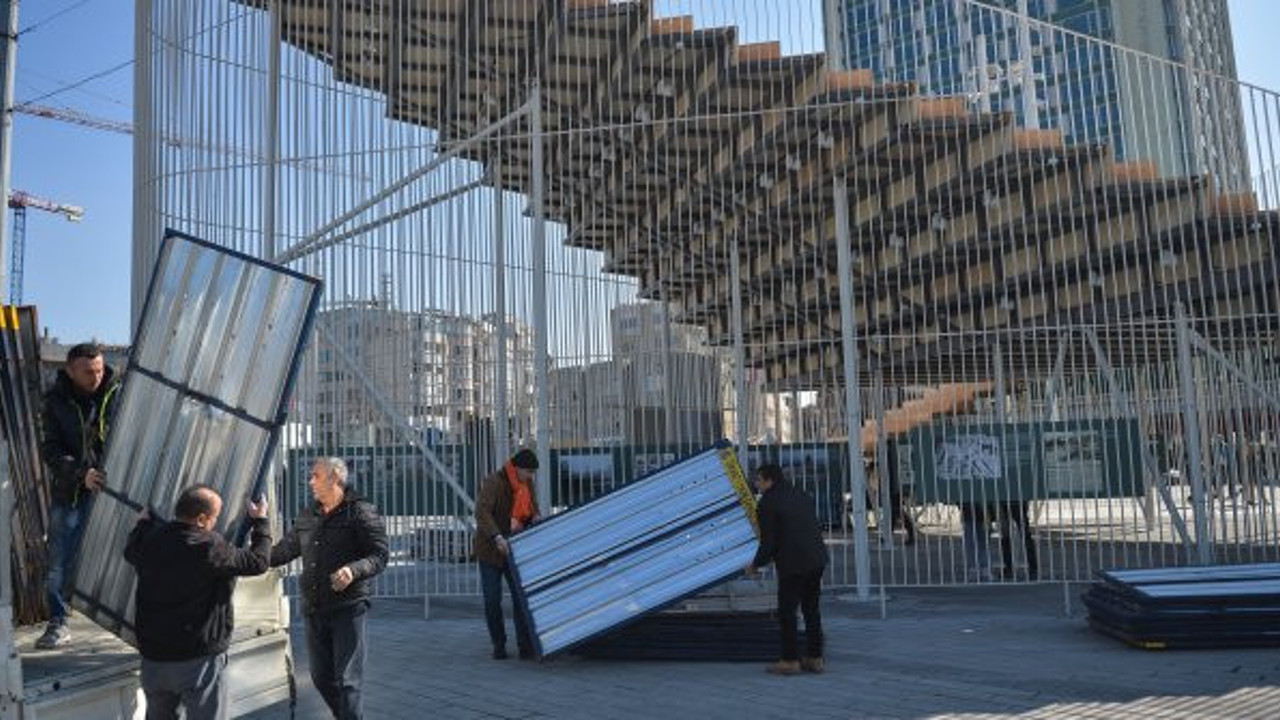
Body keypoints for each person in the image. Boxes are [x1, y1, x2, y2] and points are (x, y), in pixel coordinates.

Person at [124, 485, 271, 720]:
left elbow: (131, 551)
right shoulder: (209, 546)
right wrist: (261, 522)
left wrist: (142, 524)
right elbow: (258, 562)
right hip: (198, 661)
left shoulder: (151, 540)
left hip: (155, 660)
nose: (216, 523)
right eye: (215, 517)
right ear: (201, 519)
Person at [270, 458, 387, 720]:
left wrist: (353, 570)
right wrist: (251, 544)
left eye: (316, 476)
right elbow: (282, 552)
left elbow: (379, 555)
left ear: (335, 477)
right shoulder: (308, 515)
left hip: (348, 608)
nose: (310, 481)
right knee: (321, 678)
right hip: (314, 608)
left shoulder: (361, 512)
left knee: (348, 681)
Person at [36, 342, 122, 648]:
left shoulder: (118, 391)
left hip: (118, 491)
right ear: (70, 371)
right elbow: (50, 450)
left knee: (129, 551)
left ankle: (131, 618)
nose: (96, 376)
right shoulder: (54, 401)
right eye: (88, 372)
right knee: (59, 559)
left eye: (99, 369)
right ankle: (58, 622)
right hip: (72, 492)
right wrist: (80, 475)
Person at [745, 463, 828, 676]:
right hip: (817, 559)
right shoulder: (800, 494)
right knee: (811, 609)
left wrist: (755, 564)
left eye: (758, 480)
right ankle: (815, 658)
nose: (756, 484)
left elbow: (769, 542)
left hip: (793, 563)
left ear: (769, 480)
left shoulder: (767, 504)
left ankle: (790, 660)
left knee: (787, 612)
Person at [473, 448, 541, 660]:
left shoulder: (526, 483)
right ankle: (499, 644)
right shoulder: (494, 482)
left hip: (515, 549)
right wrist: (497, 536)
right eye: (528, 472)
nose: (530, 477)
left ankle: (525, 646)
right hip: (491, 550)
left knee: (521, 599)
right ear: (517, 468)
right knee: (492, 600)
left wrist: (535, 517)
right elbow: (482, 512)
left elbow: (532, 508)